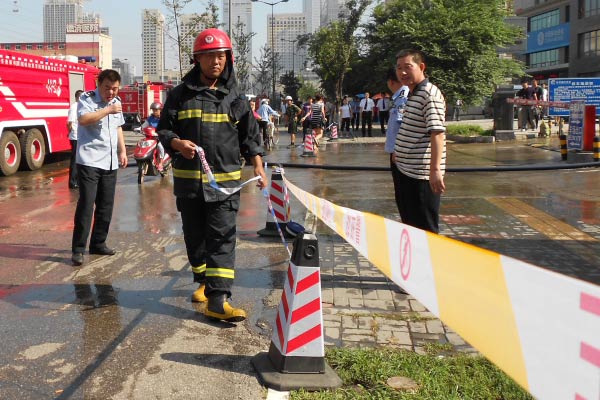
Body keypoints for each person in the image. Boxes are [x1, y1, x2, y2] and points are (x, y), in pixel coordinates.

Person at [157, 28, 267, 322]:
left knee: (221, 238)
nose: (215, 61)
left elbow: (250, 135)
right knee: (195, 239)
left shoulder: (235, 97)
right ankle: (205, 283)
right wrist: (177, 143)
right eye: (208, 56)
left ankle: (219, 299)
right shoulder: (179, 96)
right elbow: (164, 131)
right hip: (189, 184)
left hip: (225, 185)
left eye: (220, 55)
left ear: (227, 59)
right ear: (197, 60)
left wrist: (257, 163)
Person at [71, 70, 128, 267]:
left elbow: (118, 127)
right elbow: (83, 120)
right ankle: (78, 249)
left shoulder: (117, 101)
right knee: (87, 205)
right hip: (90, 160)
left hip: (110, 161)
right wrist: (106, 110)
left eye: (114, 89)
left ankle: (98, 243)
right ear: (99, 84)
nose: (111, 92)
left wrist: (122, 151)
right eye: (107, 88)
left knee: (106, 206)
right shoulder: (87, 98)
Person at [393, 49, 446, 234]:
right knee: (411, 225)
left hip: (421, 175)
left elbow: (437, 133)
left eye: (408, 67)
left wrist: (435, 170)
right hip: (406, 170)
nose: (402, 72)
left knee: (426, 228)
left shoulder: (429, 95)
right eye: (399, 68)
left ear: (421, 67)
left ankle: (430, 262)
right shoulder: (413, 93)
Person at [383, 68, 408, 217]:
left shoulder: (402, 97)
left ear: (391, 82)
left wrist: (396, 150)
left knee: (403, 194)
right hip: (397, 151)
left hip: (399, 154)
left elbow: (402, 124)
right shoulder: (400, 96)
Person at [141, 101, 166, 169]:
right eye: (153, 110)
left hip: (160, 137)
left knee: (160, 146)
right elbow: (144, 125)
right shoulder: (150, 118)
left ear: (160, 110)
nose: (154, 112)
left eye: (156, 110)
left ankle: (160, 162)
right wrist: (139, 129)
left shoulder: (163, 118)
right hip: (151, 137)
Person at [67, 89, 83, 189]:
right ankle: (73, 182)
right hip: (75, 136)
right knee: (75, 160)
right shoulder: (74, 107)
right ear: (78, 97)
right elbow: (69, 123)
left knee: (79, 159)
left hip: (79, 136)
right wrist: (70, 132)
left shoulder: (80, 106)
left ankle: (77, 180)